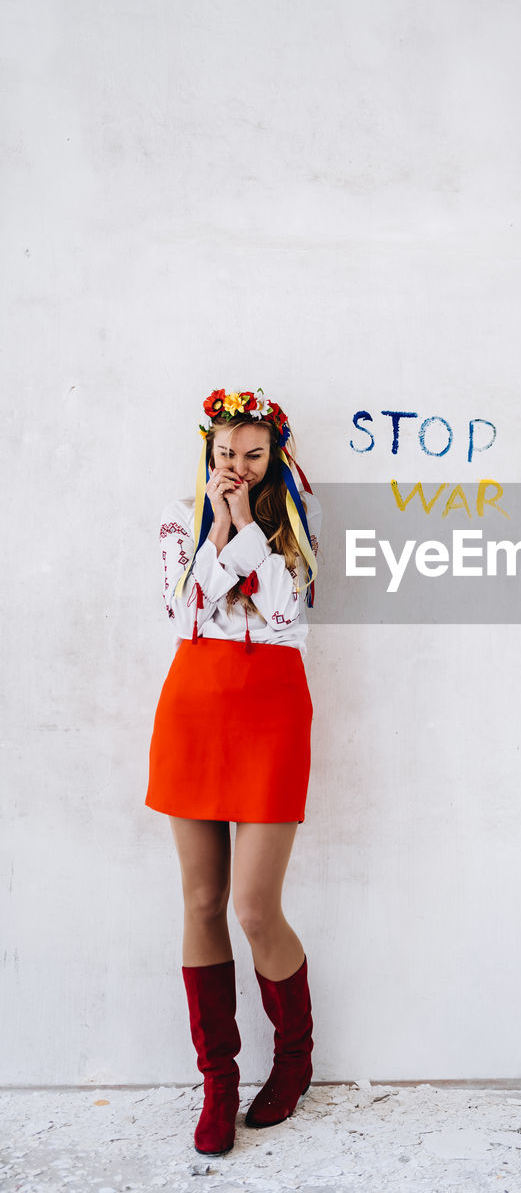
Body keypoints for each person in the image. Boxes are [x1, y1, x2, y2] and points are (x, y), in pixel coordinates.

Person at [146, 388, 322, 1157]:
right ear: (207, 455)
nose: (238, 468)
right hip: (193, 712)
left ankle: (293, 1061)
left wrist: (243, 528)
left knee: (253, 906)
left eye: (253, 456)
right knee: (201, 898)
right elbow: (183, 613)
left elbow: (283, 617)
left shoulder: (296, 530)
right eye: (226, 456)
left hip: (272, 718)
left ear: (273, 456)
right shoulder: (175, 525)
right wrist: (216, 531)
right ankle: (217, 1081)